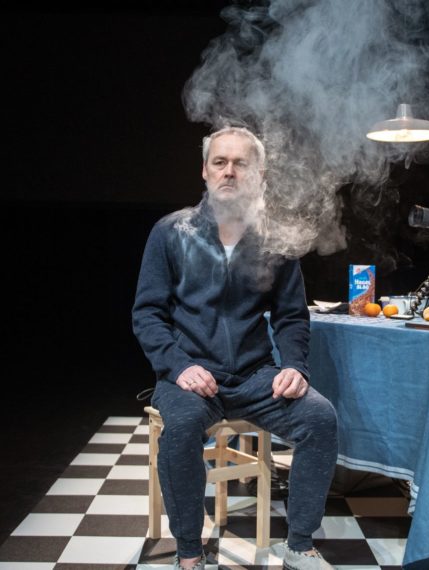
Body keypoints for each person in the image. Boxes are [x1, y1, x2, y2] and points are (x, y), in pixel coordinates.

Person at [132, 126, 338, 570]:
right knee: (181, 428)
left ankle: (300, 545)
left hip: (253, 376)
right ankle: (190, 553)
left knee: (320, 418)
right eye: (220, 162)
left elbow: (290, 316)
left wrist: (295, 367)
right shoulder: (171, 232)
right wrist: (178, 366)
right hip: (188, 376)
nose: (229, 171)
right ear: (205, 171)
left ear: (259, 174)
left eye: (240, 163)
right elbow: (147, 314)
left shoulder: (275, 239)